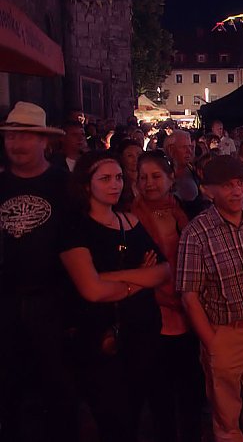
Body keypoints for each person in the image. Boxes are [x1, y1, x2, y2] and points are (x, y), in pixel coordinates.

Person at [60, 151, 171, 442]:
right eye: (105, 178)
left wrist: (111, 276)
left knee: (134, 412)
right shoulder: (76, 228)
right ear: (86, 185)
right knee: (113, 418)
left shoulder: (130, 222)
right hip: (101, 338)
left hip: (142, 333)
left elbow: (162, 271)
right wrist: (137, 280)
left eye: (119, 177)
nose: (115, 185)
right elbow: (92, 291)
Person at [176, 155, 243, 442]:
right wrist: (212, 342)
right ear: (208, 190)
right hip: (227, 335)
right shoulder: (196, 233)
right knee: (226, 419)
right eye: (227, 186)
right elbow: (189, 295)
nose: (237, 191)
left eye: (240, 183)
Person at [0, 102, 81, 442]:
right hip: (6, 302)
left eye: (26, 136)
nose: (17, 143)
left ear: (43, 142)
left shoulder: (64, 185)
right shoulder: (1, 184)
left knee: (57, 388)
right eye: (11, 136)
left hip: (52, 302)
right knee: (8, 389)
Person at [132, 152, 203, 442]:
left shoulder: (182, 211)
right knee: (159, 393)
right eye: (143, 177)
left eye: (156, 176)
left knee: (190, 390)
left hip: (186, 309)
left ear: (171, 178)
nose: (149, 183)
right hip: (153, 314)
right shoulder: (129, 217)